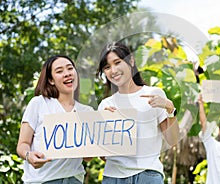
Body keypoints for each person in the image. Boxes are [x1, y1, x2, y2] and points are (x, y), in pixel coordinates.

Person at [96, 41, 180, 184]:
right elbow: (103, 156)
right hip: (113, 177)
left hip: (147, 175)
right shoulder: (106, 105)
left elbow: (172, 140)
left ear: (131, 61)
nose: (113, 70)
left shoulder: (153, 94)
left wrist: (169, 108)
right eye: (107, 67)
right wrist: (106, 129)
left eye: (117, 62)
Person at [16, 55, 93, 183]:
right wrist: (29, 156)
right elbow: (22, 144)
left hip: (74, 180)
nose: (67, 73)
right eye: (59, 71)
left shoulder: (87, 111)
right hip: (42, 180)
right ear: (51, 80)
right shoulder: (39, 103)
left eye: (70, 69)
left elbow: (87, 157)